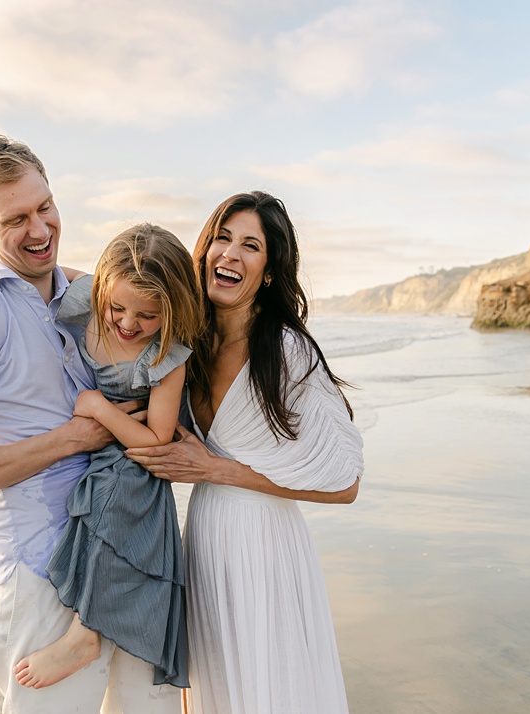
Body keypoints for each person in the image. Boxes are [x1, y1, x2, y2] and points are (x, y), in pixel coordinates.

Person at [0, 136, 181, 714]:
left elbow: (168, 345)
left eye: (46, 207)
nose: (39, 230)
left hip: (133, 558)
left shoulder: (98, 294)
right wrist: (76, 438)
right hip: (44, 577)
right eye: (17, 219)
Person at [127, 191, 364, 714]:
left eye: (250, 246)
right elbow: (113, 283)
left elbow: (345, 484)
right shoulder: (189, 343)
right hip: (207, 542)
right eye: (222, 238)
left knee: (271, 689)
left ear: (271, 271)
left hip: (266, 547)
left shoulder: (286, 351)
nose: (230, 254)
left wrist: (215, 469)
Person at [13, 224, 199, 691]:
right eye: (118, 307)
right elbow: (51, 275)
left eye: (148, 314)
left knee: (119, 485)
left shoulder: (166, 356)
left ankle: (84, 634)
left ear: (171, 311)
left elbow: (156, 440)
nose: (128, 323)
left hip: (137, 464)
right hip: (96, 452)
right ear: (102, 291)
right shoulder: (89, 302)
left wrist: (97, 407)